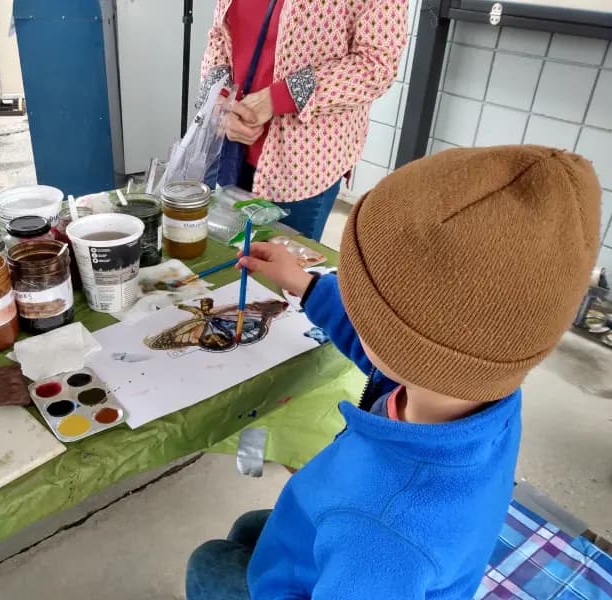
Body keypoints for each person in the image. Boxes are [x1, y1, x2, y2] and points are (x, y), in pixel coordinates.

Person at [186, 145, 601, 599]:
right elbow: (388, 355)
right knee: (251, 528)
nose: (352, 309)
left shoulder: (382, 533)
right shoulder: (476, 391)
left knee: (210, 561)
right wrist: (306, 286)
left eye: (361, 306)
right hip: (340, 539)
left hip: (349, 563)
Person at [197, 0, 408, 241]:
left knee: (276, 260)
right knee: (214, 253)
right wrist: (219, 100)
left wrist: (280, 97)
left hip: (301, 163)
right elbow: (220, 33)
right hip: (227, 145)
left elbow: (376, 65)